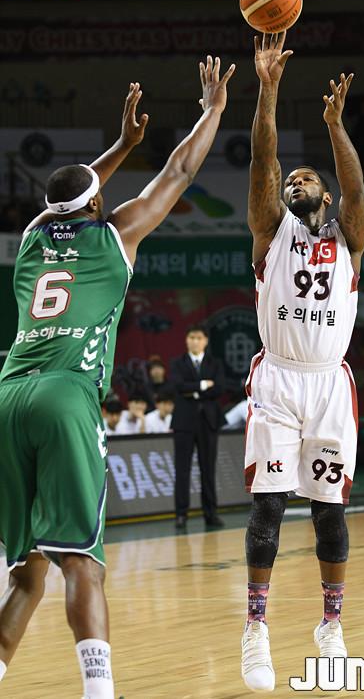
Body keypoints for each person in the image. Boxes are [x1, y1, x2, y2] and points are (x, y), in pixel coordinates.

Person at [0, 56, 235, 698]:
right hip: (65, 396)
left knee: (26, 573)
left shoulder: (31, 239)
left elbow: (72, 195)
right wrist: (211, 110)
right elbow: (178, 171)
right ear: (99, 203)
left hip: (9, 395)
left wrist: (120, 146)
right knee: (83, 561)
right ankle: (100, 693)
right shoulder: (116, 236)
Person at [241, 32, 364, 692]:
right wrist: (268, 88)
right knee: (268, 506)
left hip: (328, 386)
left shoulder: (350, 235)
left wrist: (335, 126)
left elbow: (355, 184)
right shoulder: (270, 230)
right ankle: (256, 629)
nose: (296, 180)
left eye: (308, 178)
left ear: (325, 195)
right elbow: (263, 156)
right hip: (278, 381)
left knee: (329, 513)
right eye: (292, 179)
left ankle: (331, 626)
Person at [170, 324, 225, 530]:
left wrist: (191, 390)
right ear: (186, 340)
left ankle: (211, 513)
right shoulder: (177, 363)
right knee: (182, 470)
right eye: (191, 337)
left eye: (199, 337)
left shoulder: (215, 363)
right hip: (184, 422)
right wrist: (203, 385)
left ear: (206, 341)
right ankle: (181, 514)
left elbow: (220, 387)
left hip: (208, 421)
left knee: (208, 469)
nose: (195, 341)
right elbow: (177, 386)